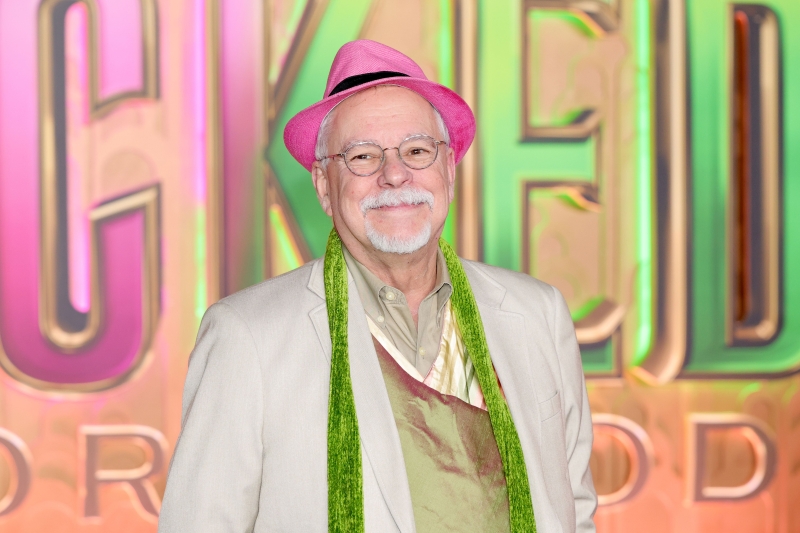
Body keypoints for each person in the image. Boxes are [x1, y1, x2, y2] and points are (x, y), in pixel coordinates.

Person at [159, 39, 596, 533]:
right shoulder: (247, 337)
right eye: (363, 156)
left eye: (417, 151)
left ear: (449, 170)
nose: (394, 175)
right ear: (324, 186)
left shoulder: (538, 313)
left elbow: (574, 509)